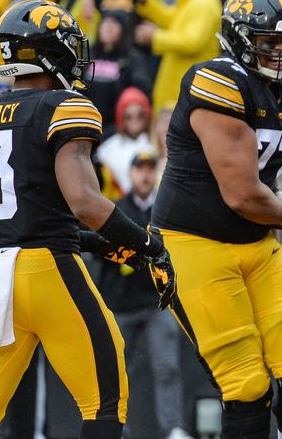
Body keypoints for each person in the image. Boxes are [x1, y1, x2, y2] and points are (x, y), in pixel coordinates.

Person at [0, 0, 175, 439]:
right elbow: (85, 203)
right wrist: (148, 246)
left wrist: (106, 244)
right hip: (49, 270)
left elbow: (35, 209)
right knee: (105, 402)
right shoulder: (63, 106)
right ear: (46, 52)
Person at [150, 0, 282, 439]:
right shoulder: (216, 81)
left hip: (255, 244)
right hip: (194, 243)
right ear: (238, 38)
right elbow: (243, 196)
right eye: (269, 43)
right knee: (245, 384)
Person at [96, 151, 192, 439]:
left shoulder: (164, 212)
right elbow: (101, 253)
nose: (145, 174)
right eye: (140, 168)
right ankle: (117, 428)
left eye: (150, 168)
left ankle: (173, 428)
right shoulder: (116, 209)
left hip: (155, 305)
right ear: (131, 173)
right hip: (120, 305)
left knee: (167, 367)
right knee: (115, 372)